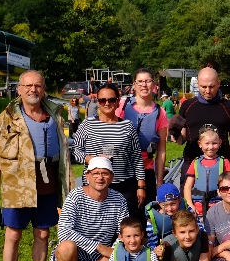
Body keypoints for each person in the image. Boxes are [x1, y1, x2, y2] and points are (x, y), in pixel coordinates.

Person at [0, 70, 73, 261]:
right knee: (13, 235)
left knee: (43, 233)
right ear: (19, 89)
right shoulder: (6, 118)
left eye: (38, 85)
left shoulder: (54, 114)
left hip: (48, 181)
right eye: (28, 85)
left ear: (44, 89)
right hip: (17, 184)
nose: (33, 89)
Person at [52, 158, 129, 261]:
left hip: (102, 258)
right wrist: (99, 248)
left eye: (105, 173)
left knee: (130, 250)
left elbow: (125, 233)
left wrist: (108, 256)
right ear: (87, 176)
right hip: (77, 254)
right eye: (95, 173)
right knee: (66, 247)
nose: (100, 177)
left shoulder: (119, 199)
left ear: (112, 177)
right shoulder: (75, 196)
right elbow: (64, 231)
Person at [73, 84, 146, 218]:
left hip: (124, 185)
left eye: (111, 100)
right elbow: (75, 151)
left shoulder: (127, 126)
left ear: (118, 102)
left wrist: (141, 186)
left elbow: (136, 157)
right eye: (102, 100)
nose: (107, 103)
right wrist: (93, 160)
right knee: (97, 223)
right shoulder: (87, 124)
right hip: (95, 185)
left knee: (125, 225)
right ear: (97, 102)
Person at [179, 67, 230, 188]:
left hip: (221, 165)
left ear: (218, 83)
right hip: (192, 164)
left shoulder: (228, 107)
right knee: (188, 198)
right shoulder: (187, 106)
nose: (207, 91)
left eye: (211, 86)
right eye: (203, 87)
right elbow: (181, 140)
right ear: (197, 84)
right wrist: (174, 133)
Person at [118, 69, 168, 198]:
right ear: (134, 85)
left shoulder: (160, 113)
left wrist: (159, 181)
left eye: (147, 81)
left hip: (147, 170)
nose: (144, 85)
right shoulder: (122, 106)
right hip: (123, 171)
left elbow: (162, 149)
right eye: (140, 81)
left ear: (154, 85)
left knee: (147, 209)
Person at [183, 126, 230, 218]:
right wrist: (190, 204)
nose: (210, 147)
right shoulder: (196, 162)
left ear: (220, 143)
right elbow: (188, 186)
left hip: (219, 206)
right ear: (200, 144)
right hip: (198, 207)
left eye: (214, 143)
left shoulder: (224, 162)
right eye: (207, 143)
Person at [145, 182, 185, 249]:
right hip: (165, 247)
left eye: (173, 204)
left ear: (179, 200)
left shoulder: (186, 208)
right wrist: (155, 250)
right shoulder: (152, 218)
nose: (170, 209)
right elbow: (152, 242)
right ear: (159, 203)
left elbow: (198, 227)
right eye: (165, 205)